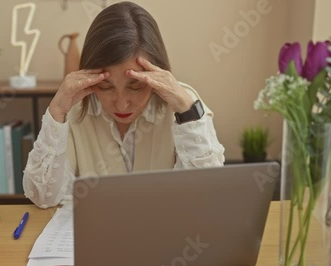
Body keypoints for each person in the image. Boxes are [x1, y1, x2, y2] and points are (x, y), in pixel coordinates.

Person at [23, 1, 225, 208]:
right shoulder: (75, 107)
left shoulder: (183, 106)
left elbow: (207, 194)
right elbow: (43, 197)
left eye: (135, 86)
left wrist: (188, 113)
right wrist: (56, 112)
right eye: (106, 86)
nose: (121, 104)